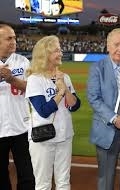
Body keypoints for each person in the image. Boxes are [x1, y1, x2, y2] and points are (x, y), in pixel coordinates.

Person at [87, 28, 120, 190]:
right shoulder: (97, 68)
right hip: (107, 130)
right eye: (116, 44)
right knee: (106, 177)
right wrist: (114, 118)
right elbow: (94, 98)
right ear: (108, 46)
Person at [25, 35, 81, 190]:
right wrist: (59, 93)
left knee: (64, 182)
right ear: (46, 54)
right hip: (43, 138)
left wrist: (65, 88)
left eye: (60, 50)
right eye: (57, 50)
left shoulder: (65, 77)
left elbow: (75, 106)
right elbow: (43, 111)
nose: (61, 53)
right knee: (43, 184)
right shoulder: (34, 79)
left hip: (65, 136)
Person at [0, 24, 35, 190]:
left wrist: (12, 79)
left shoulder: (22, 61)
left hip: (21, 127)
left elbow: (32, 88)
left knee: (27, 174)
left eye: (14, 37)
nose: (14, 41)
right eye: (9, 38)